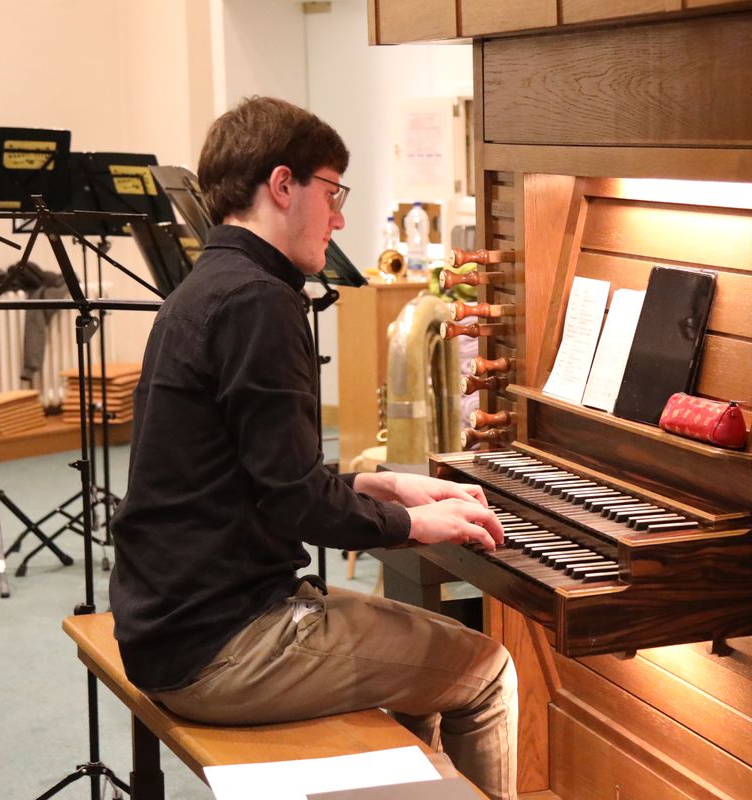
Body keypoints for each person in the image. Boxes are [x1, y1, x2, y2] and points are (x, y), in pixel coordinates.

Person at [109, 96, 518, 800]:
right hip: (223, 646)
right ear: (281, 185)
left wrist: (383, 488)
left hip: (170, 624)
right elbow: (295, 502)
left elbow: (254, 473)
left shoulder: (206, 287)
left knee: (423, 673)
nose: (339, 218)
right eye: (333, 193)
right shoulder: (259, 302)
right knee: (486, 673)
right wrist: (416, 524)